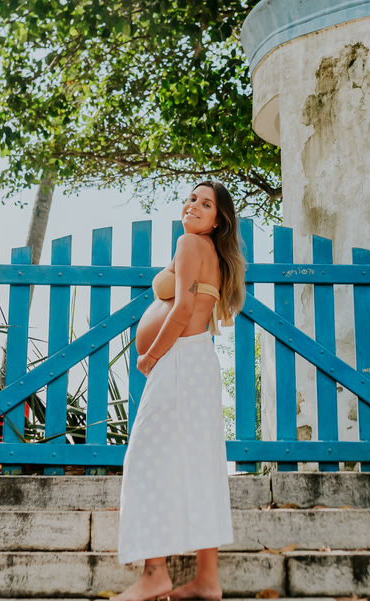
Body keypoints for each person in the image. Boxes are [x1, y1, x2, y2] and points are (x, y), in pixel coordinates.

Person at [114, 180, 247, 601]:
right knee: (201, 464)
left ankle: (156, 574)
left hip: (178, 362)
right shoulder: (215, 255)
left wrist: (150, 357)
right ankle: (207, 580)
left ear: (217, 219)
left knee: (146, 460)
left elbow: (185, 308)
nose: (193, 205)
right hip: (199, 362)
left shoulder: (190, 244)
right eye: (191, 198)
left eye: (205, 203)